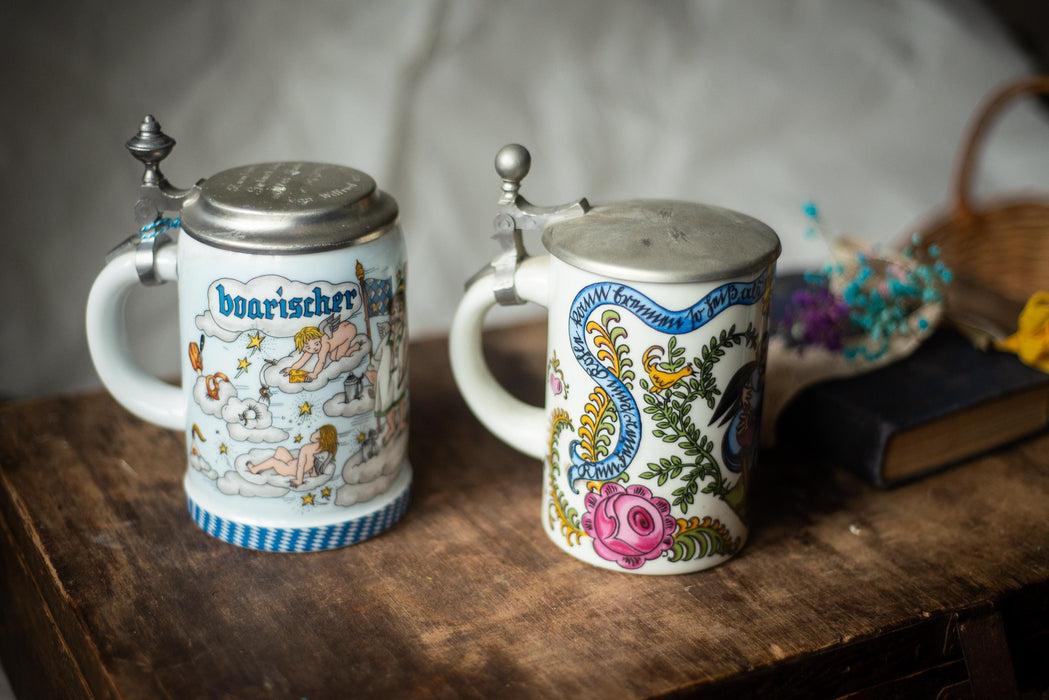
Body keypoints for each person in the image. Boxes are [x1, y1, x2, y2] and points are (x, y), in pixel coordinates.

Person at [365, 290, 407, 444]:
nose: (396, 315)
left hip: (398, 373)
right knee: (387, 403)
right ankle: (391, 426)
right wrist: (372, 370)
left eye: (400, 311)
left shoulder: (402, 335)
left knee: (400, 397)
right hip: (385, 376)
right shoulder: (387, 338)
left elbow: (404, 349)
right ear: (390, 317)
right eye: (393, 312)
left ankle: (401, 421)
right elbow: (377, 357)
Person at [246, 424, 338, 487]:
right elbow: (315, 462)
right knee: (280, 450)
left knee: (273, 461)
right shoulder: (321, 450)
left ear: (320, 436)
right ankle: (274, 465)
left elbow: (300, 466)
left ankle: (255, 469)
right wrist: (314, 473)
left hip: (289, 469)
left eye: (316, 431)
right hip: (291, 464)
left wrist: (299, 480)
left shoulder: (306, 448)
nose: (314, 432)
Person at [281, 317, 362, 382]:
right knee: (333, 357)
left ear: (318, 338)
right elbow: (303, 360)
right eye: (308, 348)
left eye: (316, 343)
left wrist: (314, 374)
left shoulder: (324, 344)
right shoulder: (312, 346)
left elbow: (321, 361)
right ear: (304, 348)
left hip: (348, 331)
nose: (314, 348)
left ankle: (355, 347)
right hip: (341, 331)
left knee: (338, 357)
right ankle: (340, 346)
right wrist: (292, 369)